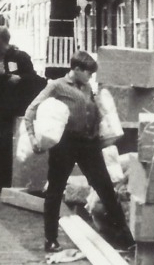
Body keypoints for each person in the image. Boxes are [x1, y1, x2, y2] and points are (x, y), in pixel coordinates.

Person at [24, 50, 135, 254]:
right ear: (76, 69)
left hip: (89, 145)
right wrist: (32, 138)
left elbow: (93, 113)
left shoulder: (87, 88)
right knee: (55, 190)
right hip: (65, 144)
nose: (90, 77)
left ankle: (125, 239)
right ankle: (50, 240)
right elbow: (30, 111)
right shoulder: (56, 86)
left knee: (105, 189)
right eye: (88, 73)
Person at [0, 26, 42, 192]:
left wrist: (20, 78)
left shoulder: (19, 57)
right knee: (0, 144)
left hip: (14, 108)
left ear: (1, 40)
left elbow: (33, 78)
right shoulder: (0, 58)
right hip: (1, 109)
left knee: (10, 144)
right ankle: (1, 180)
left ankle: (9, 180)